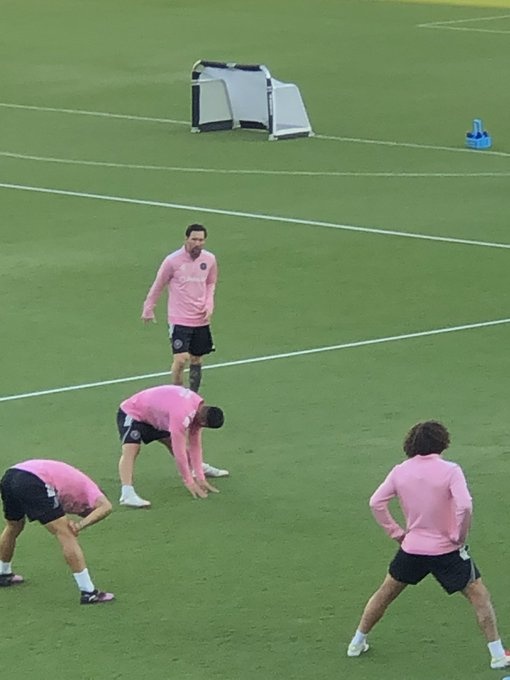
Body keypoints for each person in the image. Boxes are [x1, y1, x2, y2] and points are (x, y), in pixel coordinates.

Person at [346, 420, 510, 670]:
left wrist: (397, 533)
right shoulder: (451, 470)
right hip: (447, 551)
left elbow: (376, 503)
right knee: (479, 596)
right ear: (442, 442)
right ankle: (497, 655)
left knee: (385, 593)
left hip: (411, 549)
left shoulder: (400, 471)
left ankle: (356, 643)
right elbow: (465, 505)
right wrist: (459, 535)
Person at [0, 459, 114, 605]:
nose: (81, 513)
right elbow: (106, 507)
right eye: (85, 513)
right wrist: (80, 526)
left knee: (14, 526)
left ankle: (3, 573)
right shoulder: (93, 493)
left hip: (11, 476)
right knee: (66, 533)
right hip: (34, 479)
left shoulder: (75, 490)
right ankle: (89, 592)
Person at [117, 384, 226, 508]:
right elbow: (179, 451)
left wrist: (200, 475)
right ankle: (127, 494)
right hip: (133, 413)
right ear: (203, 422)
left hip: (153, 416)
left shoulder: (198, 407)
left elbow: (195, 445)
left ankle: (195, 468)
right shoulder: (182, 414)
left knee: (169, 441)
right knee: (132, 449)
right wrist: (188, 481)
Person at [141, 223, 217, 395]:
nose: (197, 243)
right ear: (186, 239)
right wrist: (148, 307)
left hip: (201, 318)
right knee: (181, 359)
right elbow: (159, 284)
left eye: (201, 240)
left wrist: (209, 304)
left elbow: (211, 283)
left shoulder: (209, 259)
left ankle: (193, 397)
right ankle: (177, 396)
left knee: (196, 358)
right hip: (179, 318)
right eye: (194, 239)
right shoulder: (172, 261)